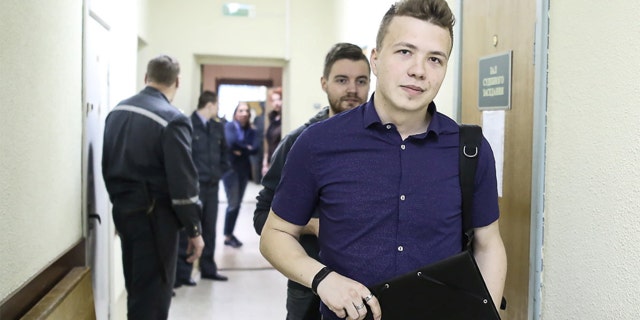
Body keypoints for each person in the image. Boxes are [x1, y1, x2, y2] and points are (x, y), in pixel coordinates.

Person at [259, 1, 508, 319]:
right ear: (375, 60)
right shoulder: (318, 144)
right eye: (405, 51)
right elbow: (275, 234)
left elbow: (488, 244)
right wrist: (321, 278)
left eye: (435, 59)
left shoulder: (469, 149)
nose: (419, 70)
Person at [254, 42, 371, 320]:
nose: (352, 90)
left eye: (361, 81)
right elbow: (262, 217)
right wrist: (313, 226)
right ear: (324, 83)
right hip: (307, 284)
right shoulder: (300, 143)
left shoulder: (384, 142)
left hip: (366, 285)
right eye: (342, 80)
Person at [102, 54, 205, 319]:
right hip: (156, 222)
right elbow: (183, 187)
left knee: (136, 289)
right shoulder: (173, 119)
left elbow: (107, 164)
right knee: (154, 298)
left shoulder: (117, 112)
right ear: (177, 82)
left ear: (146, 78)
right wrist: (194, 230)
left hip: (124, 214)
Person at [174, 90, 230, 288]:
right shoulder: (188, 125)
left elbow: (225, 153)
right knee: (189, 229)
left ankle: (208, 269)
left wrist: (220, 172)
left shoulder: (217, 127)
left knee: (209, 228)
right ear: (210, 105)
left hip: (212, 186)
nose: (217, 109)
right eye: (216, 105)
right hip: (194, 188)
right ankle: (182, 273)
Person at [222, 102, 260, 248]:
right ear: (235, 113)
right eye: (241, 110)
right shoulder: (229, 127)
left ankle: (229, 234)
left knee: (237, 204)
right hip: (230, 171)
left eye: (246, 111)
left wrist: (241, 149)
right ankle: (227, 236)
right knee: (233, 204)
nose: (244, 113)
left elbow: (256, 148)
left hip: (243, 171)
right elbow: (231, 143)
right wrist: (246, 147)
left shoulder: (251, 129)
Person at [261, 88, 282, 177]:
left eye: (279, 99)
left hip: (281, 160)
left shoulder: (285, 119)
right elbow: (269, 142)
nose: (276, 103)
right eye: (273, 100)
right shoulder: (272, 117)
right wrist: (265, 161)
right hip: (271, 158)